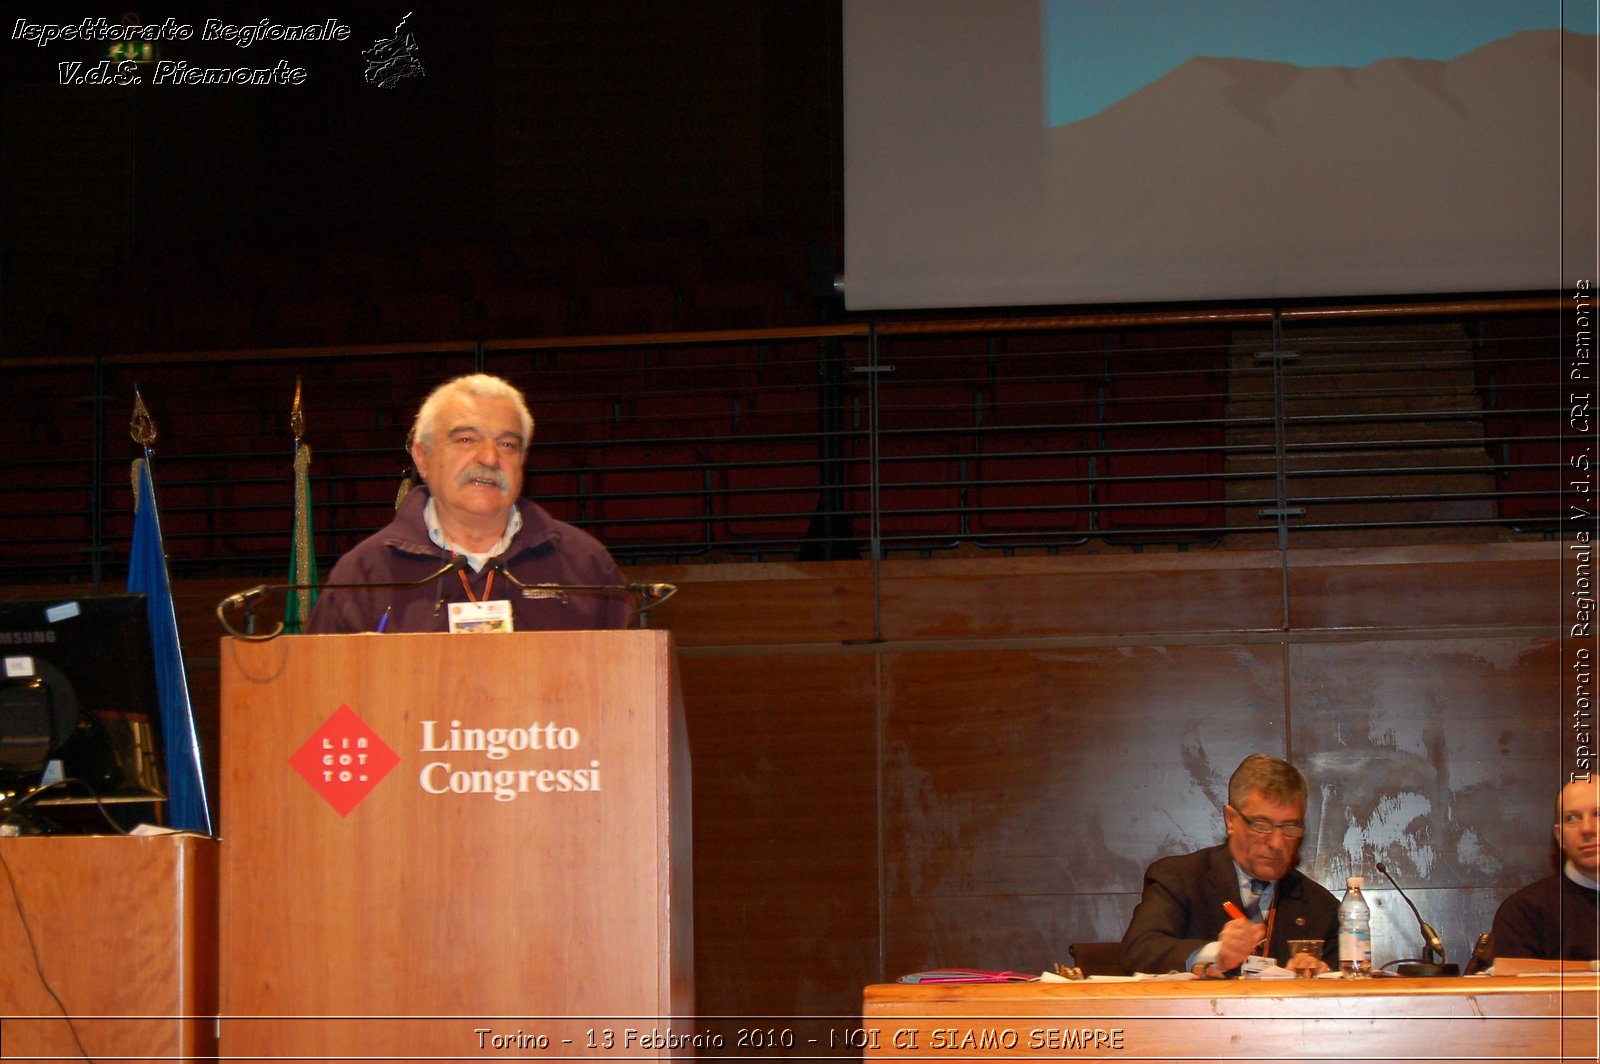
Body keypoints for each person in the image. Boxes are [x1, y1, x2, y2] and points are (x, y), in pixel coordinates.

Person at [305, 373, 634, 634]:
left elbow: (632, 699)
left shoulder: (585, 565)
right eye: (466, 439)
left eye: (507, 444)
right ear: (423, 457)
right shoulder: (365, 573)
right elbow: (320, 706)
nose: (490, 457)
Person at [1121, 753, 1340, 977]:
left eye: (1290, 829)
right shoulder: (1180, 879)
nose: (1276, 843)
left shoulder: (1322, 908)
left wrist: (1315, 977)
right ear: (1231, 820)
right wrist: (1214, 955)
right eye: (1262, 824)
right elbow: (1139, 951)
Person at [1489, 776, 1600, 962]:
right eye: (1572, 818)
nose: (1587, 829)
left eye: (1598, 814)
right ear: (1559, 836)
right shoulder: (1523, 913)